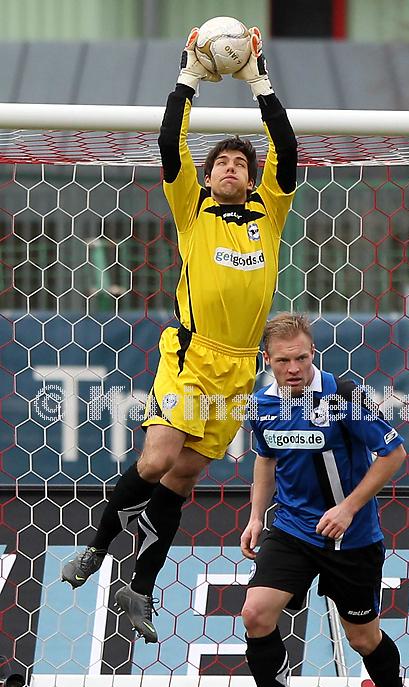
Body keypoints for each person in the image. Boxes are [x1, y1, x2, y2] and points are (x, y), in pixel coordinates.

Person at [61, 27, 297, 644]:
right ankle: (97, 547)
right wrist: (188, 76)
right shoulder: (193, 209)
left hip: (240, 368)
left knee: (182, 479)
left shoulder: (269, 212)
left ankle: (139, 587)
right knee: (157, 459)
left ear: (253, 179)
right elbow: (171, 141)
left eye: (240, 164)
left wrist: (259, 82)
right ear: (207, 175)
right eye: (220, 163)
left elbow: (287, 147)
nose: (229, 168)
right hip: (193, 356)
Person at [240, 312, 409, 687]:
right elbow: (265, 458)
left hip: (351, 538)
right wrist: (256, 516)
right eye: (283, 360)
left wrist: (348, 508)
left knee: (363, 638)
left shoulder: (344, 397)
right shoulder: (261, 404)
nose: (293, 368)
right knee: (256, 614)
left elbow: (393, 454)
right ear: (267, 360)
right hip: (293, 530)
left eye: (301, 358)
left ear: (313, 353)